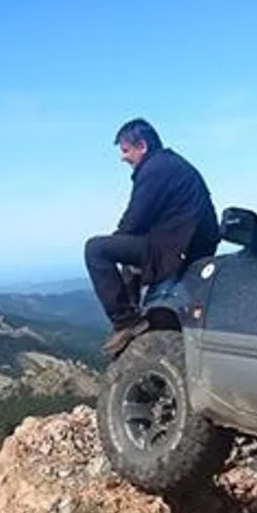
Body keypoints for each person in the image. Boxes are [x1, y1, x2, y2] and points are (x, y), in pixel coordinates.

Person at [84, 118, 220, 357]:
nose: (123, 157)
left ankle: (126, 321)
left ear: (142, 146)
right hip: (188, 245)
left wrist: (117, 243)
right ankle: (134, 314)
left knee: (95, 249)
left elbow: (134, 219)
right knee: (128, 261)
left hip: (174, 248)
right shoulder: (172, 165)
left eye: (126, 150)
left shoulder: (154, 169)